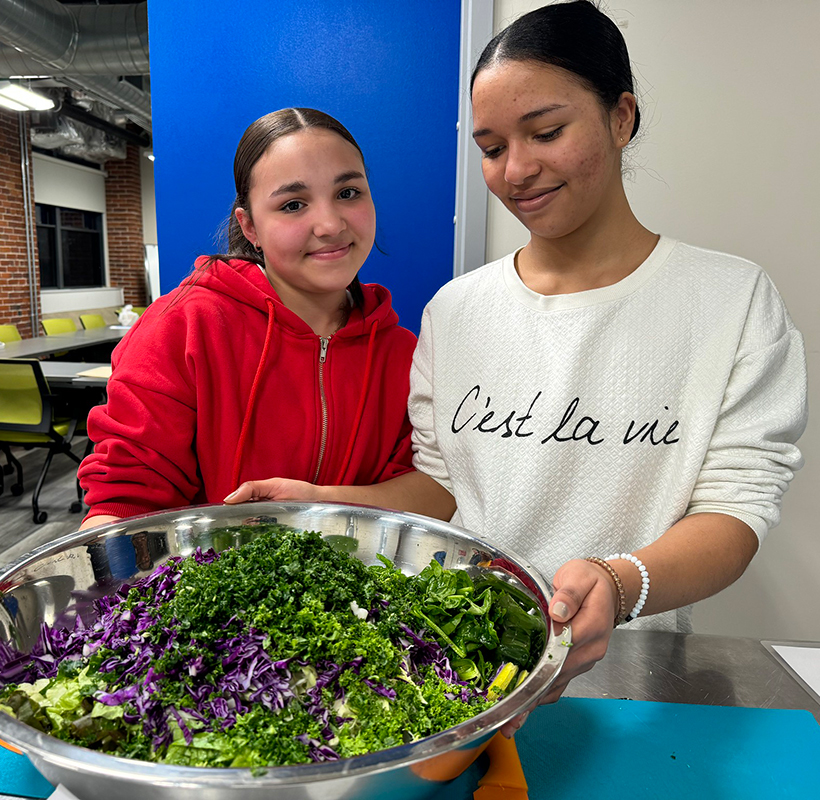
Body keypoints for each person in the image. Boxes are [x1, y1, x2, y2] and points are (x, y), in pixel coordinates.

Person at [225, 0, 808, 722]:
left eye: (547, 131)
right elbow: (441, 487)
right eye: (493, 147)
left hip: (632, 673)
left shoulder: (730, 300)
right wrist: (321, 500)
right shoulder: (457, 310)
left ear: (621, 117)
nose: (517, 169)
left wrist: (618, 582)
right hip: (451, 666)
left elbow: (735, 510)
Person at [77, 107, 419, 529]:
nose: (330, 224)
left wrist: (311, 506)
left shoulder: (402, 352)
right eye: (293, 204)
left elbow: (428, 489)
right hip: (205, 583)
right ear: (250, 226)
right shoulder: (182, 327)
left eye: (348, 193)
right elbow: (124, 501)